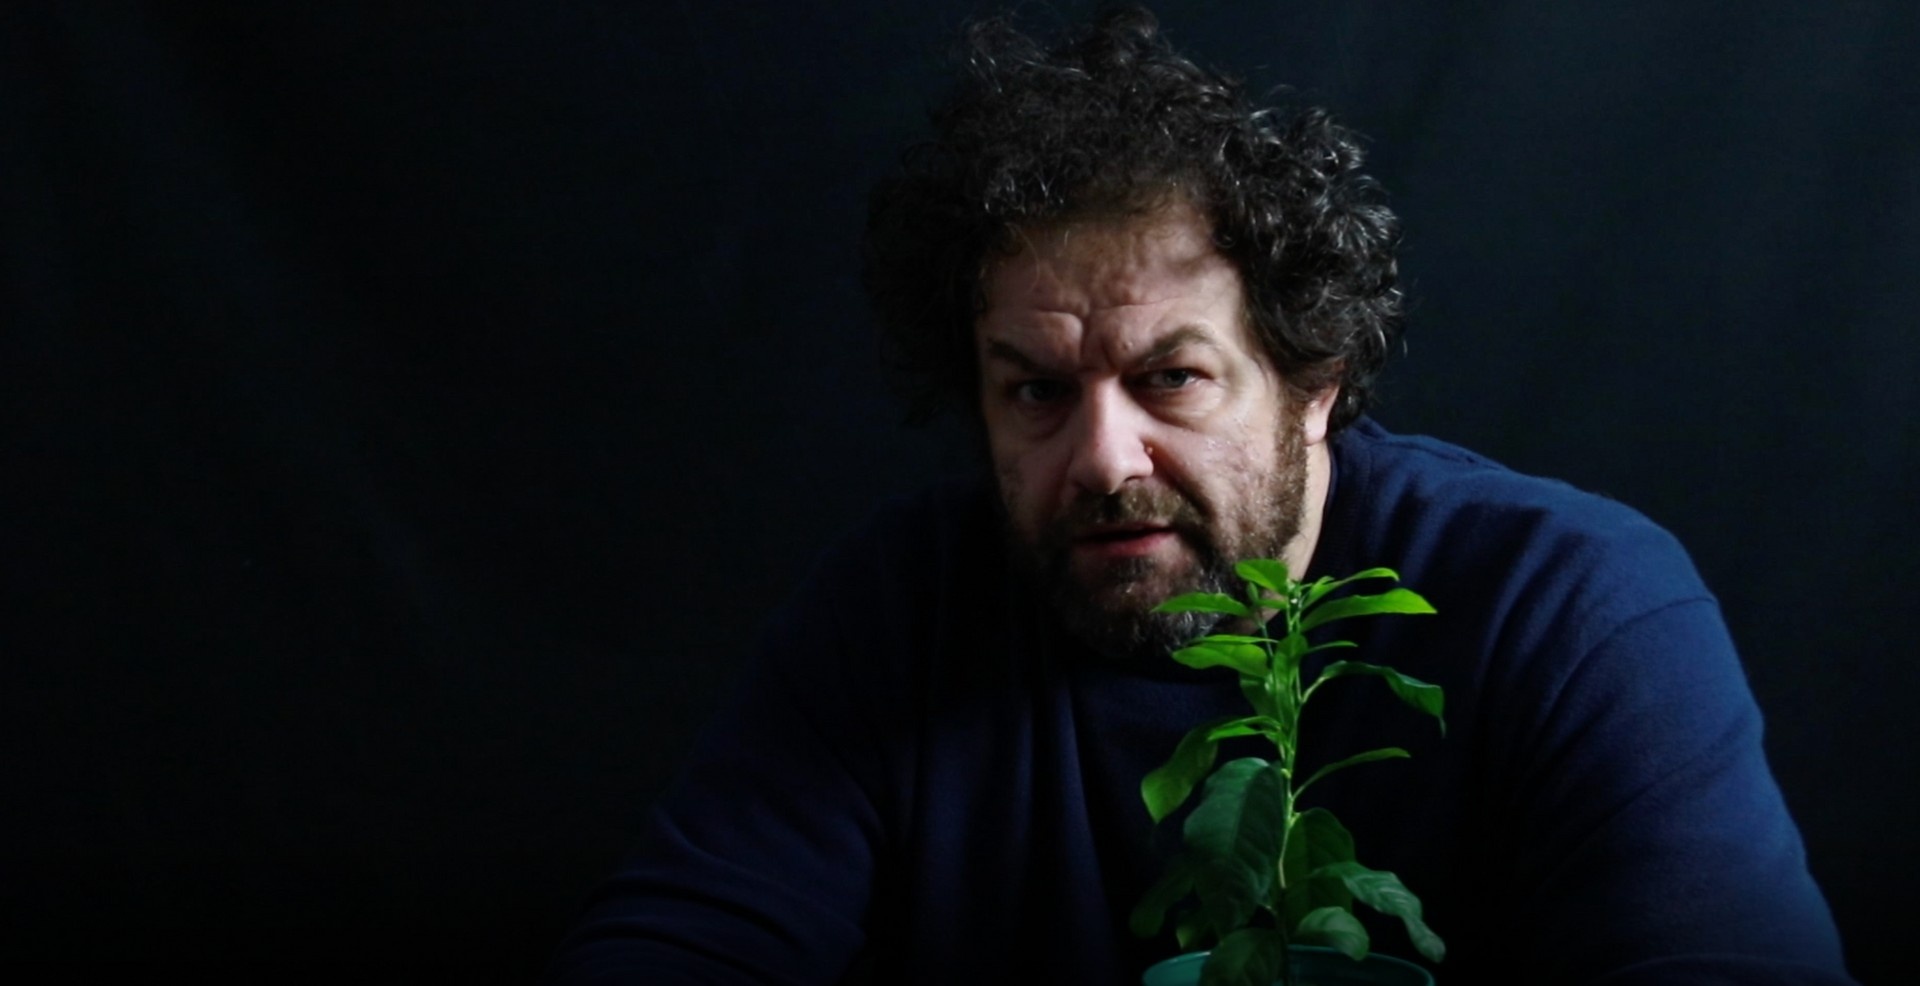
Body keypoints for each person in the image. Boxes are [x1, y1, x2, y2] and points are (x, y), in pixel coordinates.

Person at [549, 6, 1855, 984]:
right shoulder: (895, 614)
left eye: (1170, 377)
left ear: (1315, 381)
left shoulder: (1571, 605)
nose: (1103, 459)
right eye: (1034, 390)